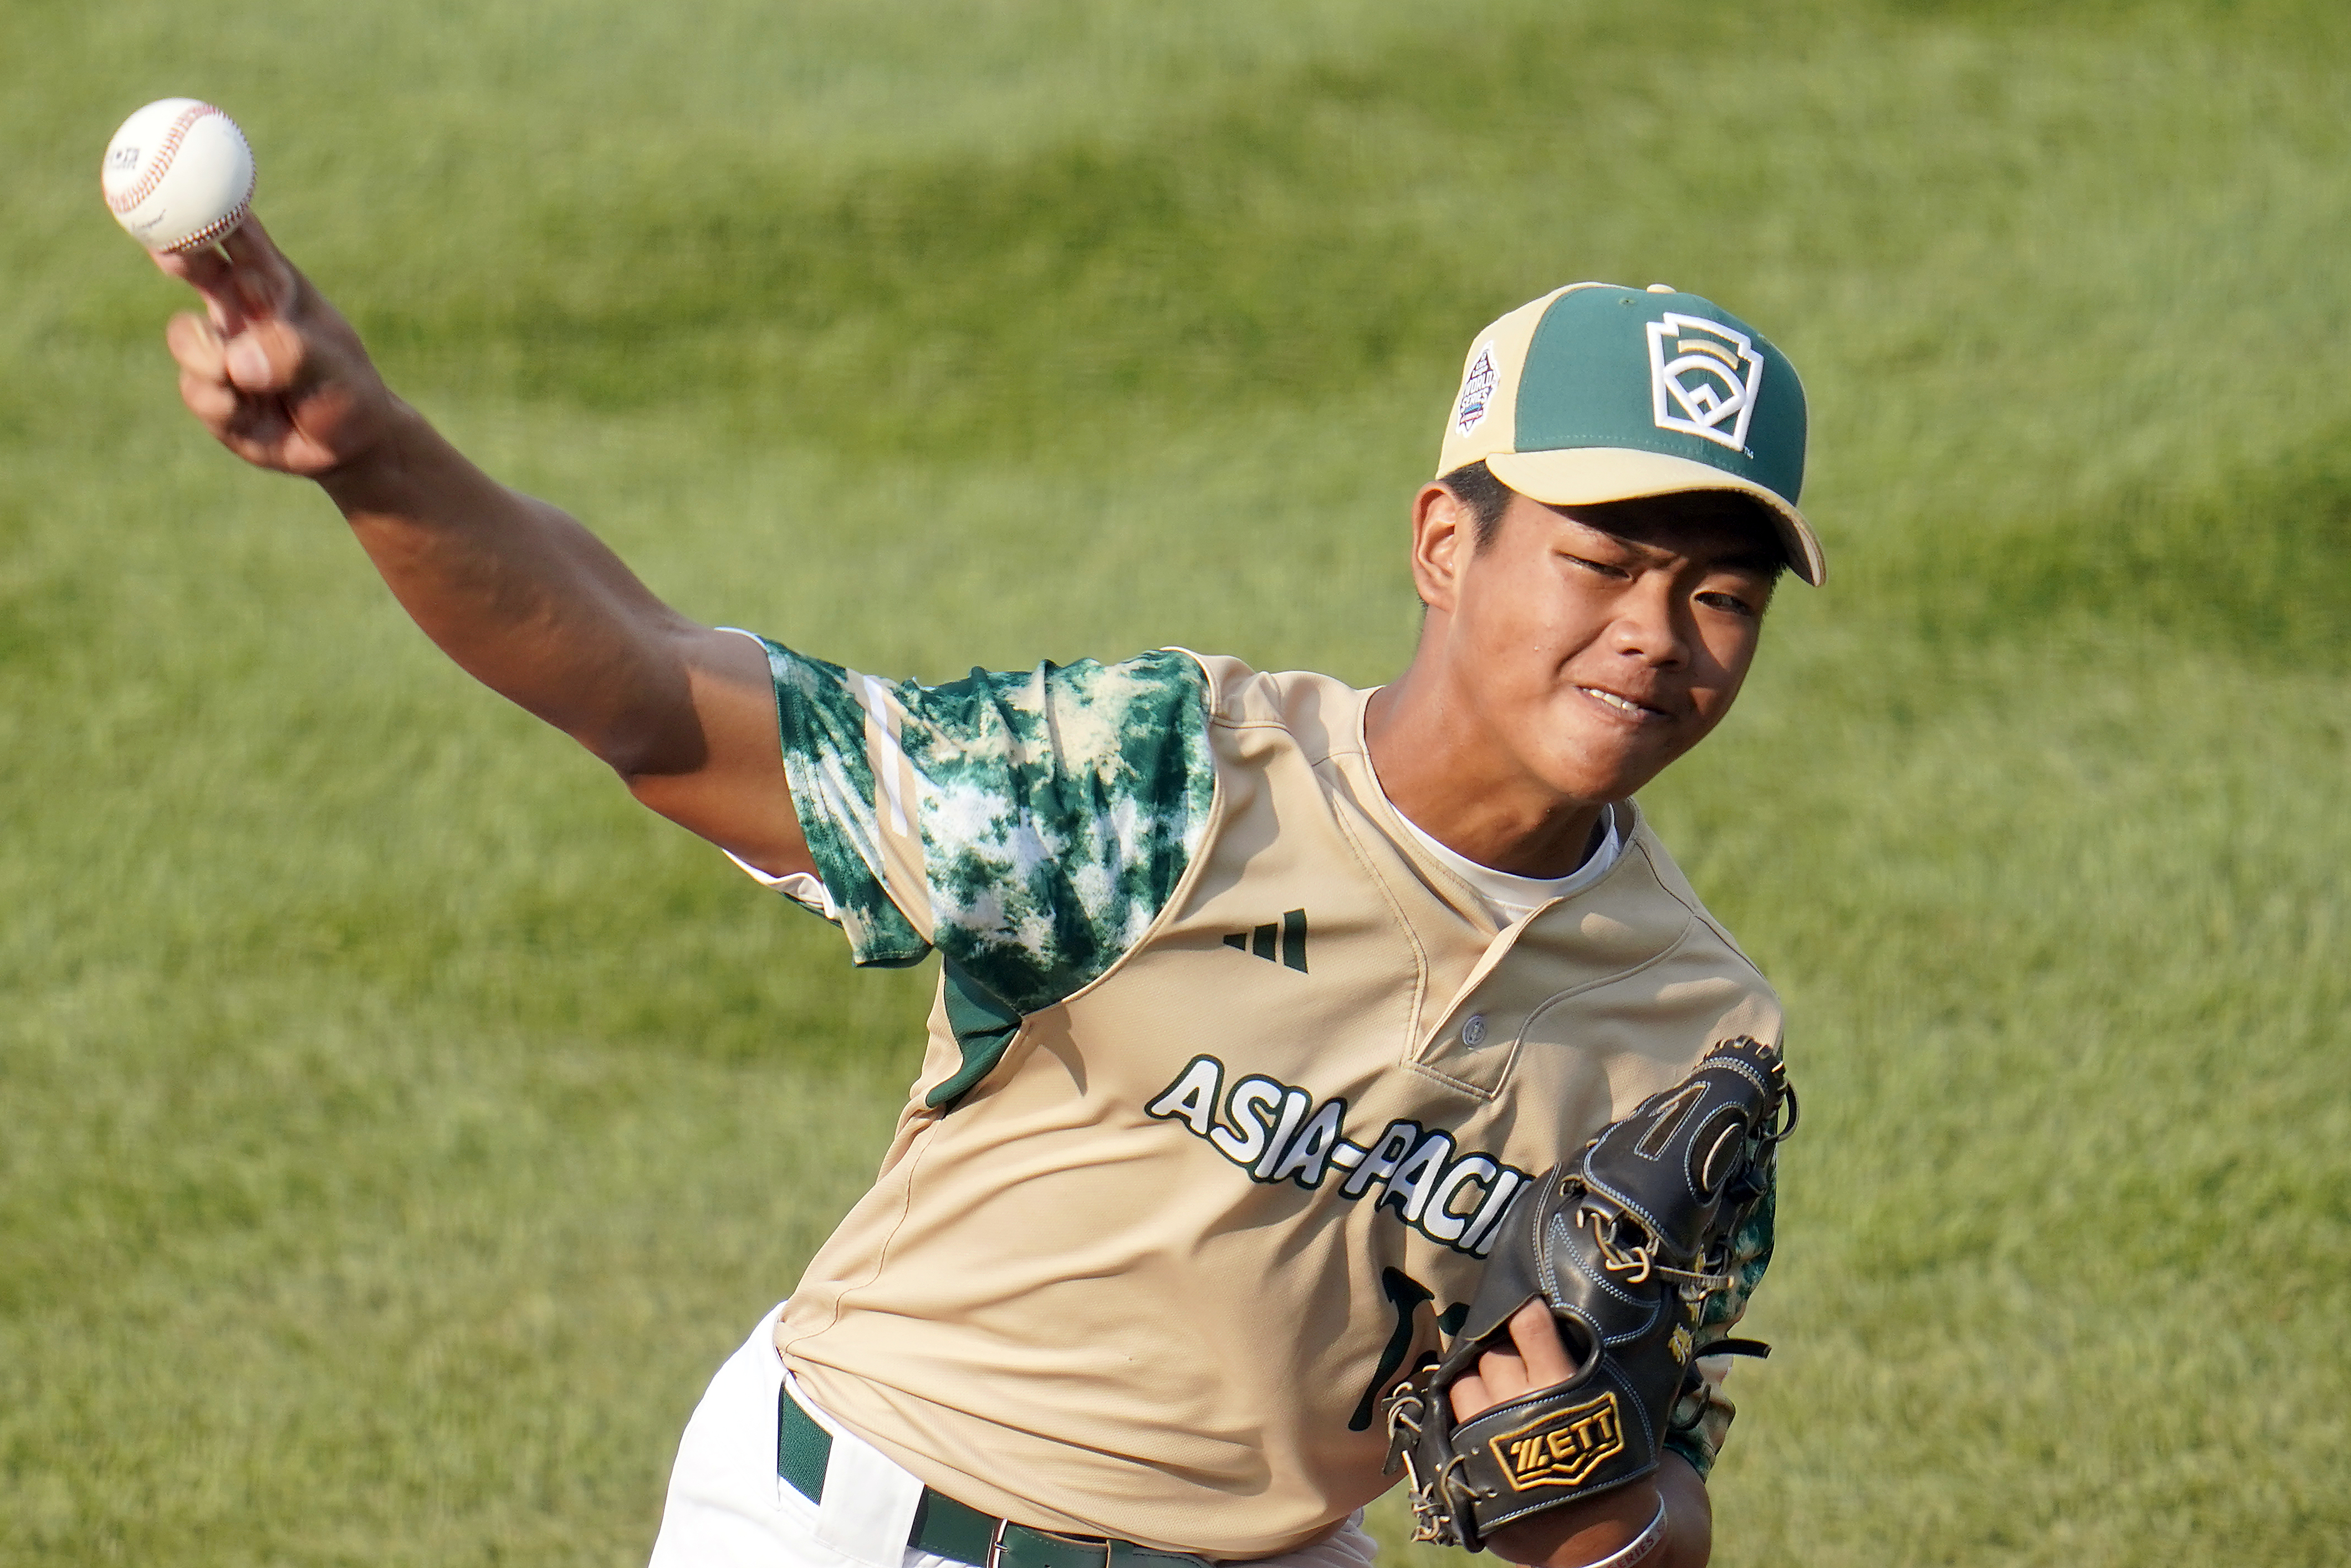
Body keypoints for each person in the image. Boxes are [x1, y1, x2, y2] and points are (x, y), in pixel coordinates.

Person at [152, 218, 1823, 1568]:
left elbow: (1663, 1485)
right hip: (868, 1523)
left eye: (1720, 596)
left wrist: (1604, 1523)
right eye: (1600, 562)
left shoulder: (1694, 1029)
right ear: (1444, 545)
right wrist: (370, 456)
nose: (1653, 639)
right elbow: (659, 700)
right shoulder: (1171, 779)